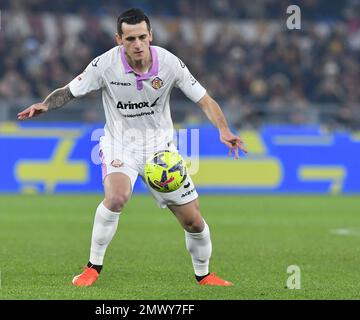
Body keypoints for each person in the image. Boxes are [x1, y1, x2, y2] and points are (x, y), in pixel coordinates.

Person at [18, 8, 247, 287]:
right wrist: (45, 104)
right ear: (119, 39)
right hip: (120, 145)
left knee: (194, 222)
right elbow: (69, 91)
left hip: (161, 153)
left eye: (141, 37)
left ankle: (204, 275)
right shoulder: (104, 65)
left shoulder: (170, 64)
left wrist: (224, 129)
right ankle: (92, 268)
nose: (137, 44)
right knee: (116, 197)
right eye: (130, 39)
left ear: (150, 35)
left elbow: (205, 100)